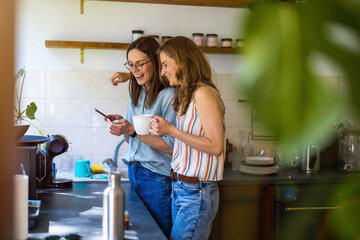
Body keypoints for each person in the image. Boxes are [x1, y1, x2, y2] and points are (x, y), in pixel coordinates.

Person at [150, 36, 225, 240]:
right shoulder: (187, 95)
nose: (163, 72)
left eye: (165, 64)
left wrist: (172, 131)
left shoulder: (204, 93)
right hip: (182, 189)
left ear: (181, 60)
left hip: (197, 192)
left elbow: (216, 146)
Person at [106, 36, 176, 238]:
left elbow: (171, 146)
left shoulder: (168, 96)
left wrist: (133, 130)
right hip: (135, 172)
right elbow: (132, 140)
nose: (134, 70)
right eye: (130, 65)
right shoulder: (136, 93)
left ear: (155, 62)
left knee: (157, 236)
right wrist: (124, 128)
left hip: (157, 178)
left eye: (139, 64)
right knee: (139, 235)